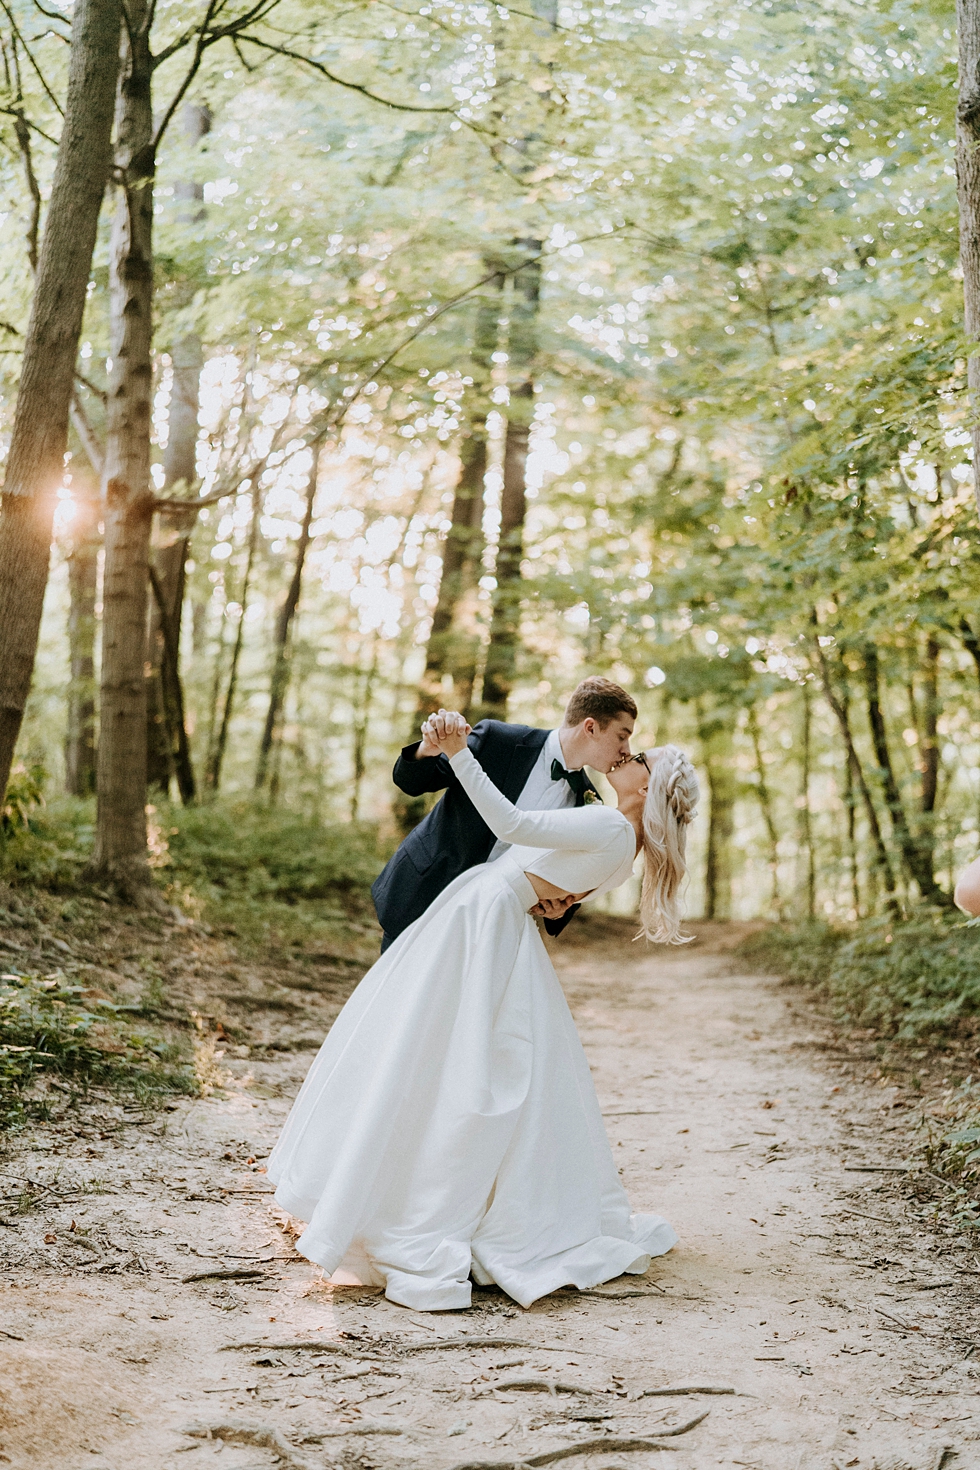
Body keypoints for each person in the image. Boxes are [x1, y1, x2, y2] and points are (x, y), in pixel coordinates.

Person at [267, 712, 700, 1312]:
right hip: (494, 916)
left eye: (640, 758)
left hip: (484, 915)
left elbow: (514, 824)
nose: (629, 756)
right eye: (626, 745)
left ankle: (394, 1196)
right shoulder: (622, 847)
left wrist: (459, 754)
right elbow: (551, 884)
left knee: (426, 1048)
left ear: (648, 788)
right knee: (462, 1055)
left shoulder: (604, 820)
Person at [371, 676, 638, 950]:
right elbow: (413, 783)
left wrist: (559, 908)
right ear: (591, 727)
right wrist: (428, 748)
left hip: (488, 927)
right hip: (427, 892)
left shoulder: (588, 805)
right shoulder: (499, 740)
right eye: (622, 735)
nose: (626, 750)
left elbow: (567, 881)